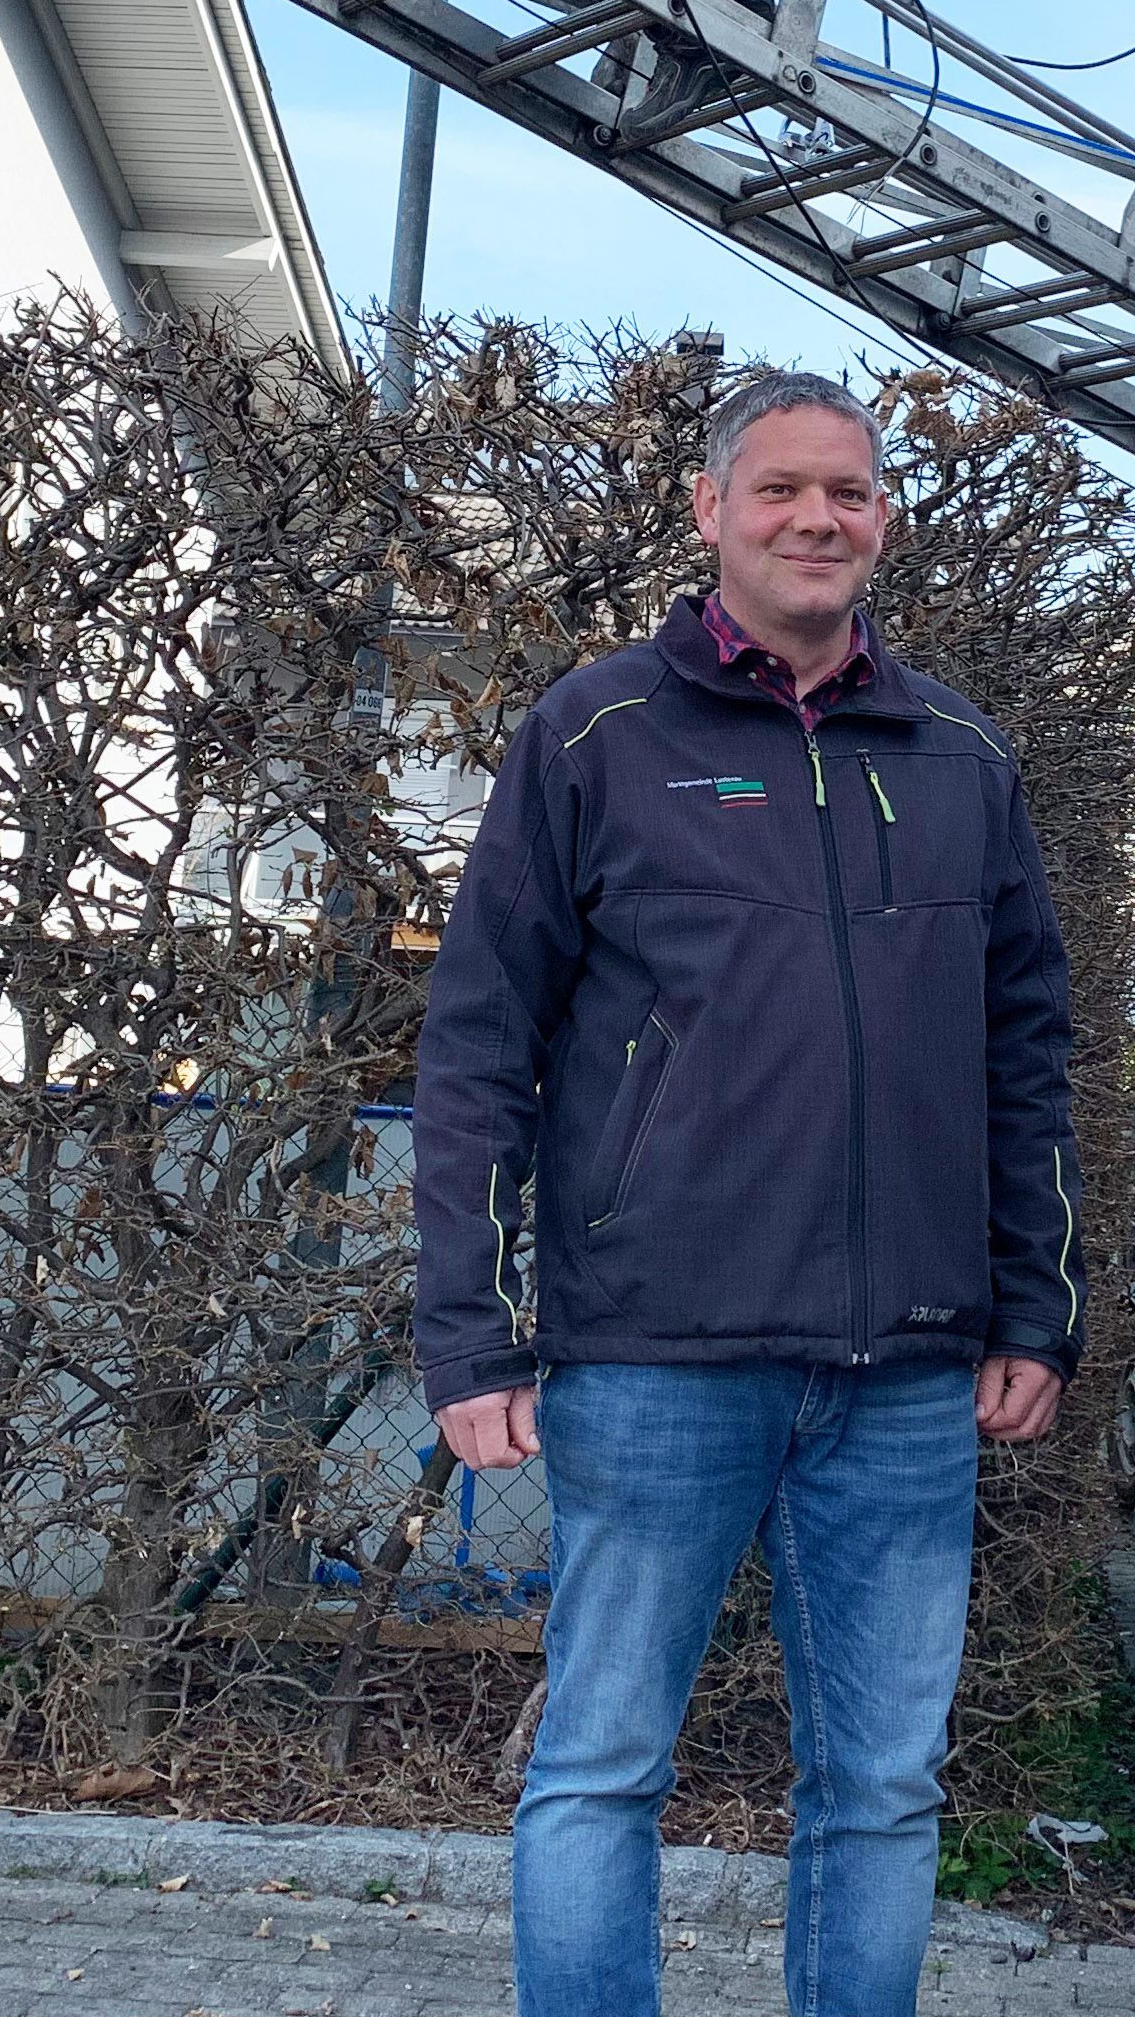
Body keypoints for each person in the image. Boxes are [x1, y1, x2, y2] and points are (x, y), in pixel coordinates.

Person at [412, 367, 1081, 2017]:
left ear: (880, 517)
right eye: (779, 487)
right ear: (709, 509)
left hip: (912, 1372)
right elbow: (479, 1039)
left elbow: (1026, 1049)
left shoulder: (958, 755)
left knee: (882, 1785)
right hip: (654, 1355)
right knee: (598, 1764)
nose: (816, 516)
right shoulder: (595, 732)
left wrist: (1033, 1300)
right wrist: (469, 1330)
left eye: (847, 490)